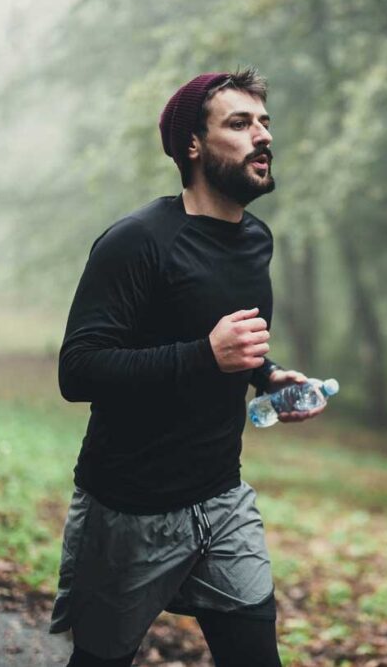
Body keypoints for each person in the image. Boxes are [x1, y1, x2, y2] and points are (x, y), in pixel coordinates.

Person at [48, 68, 321, 667]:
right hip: (127, 510)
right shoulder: (137, 241)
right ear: (193, 146)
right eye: (241, 123)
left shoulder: (256, 240)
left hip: (221, 499)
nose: (263, 136)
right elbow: (79, 369)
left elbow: (224, 335)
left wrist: (267, 374)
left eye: (265, 123)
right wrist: (206, 354)